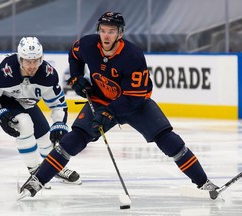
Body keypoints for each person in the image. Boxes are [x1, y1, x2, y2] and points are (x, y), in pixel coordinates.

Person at [18, 12, 218, 199]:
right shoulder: (88, 44)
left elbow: (134, 96)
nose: (106, 35)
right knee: (73, 140)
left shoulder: (133, 56)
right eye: (103, 30)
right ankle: (37, 181)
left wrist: (110, 112)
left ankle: (204, 182)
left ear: (120, 33)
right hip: (101, 99)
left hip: (136, 104)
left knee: (168, 140)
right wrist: (76, 76)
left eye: (111, 31)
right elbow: (75, 54)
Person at [0, 36, 82, 186]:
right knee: (23, 124)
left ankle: (53, 167)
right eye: (27, 61)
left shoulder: (48, 74)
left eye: (36, 60)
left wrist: (59, 123)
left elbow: (59, 105)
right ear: (20, 59)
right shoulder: (3, 72)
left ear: (42, 58)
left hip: (25, 100)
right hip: (4, 99)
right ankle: (35, 170)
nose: (32, 66)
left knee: (47, 136)